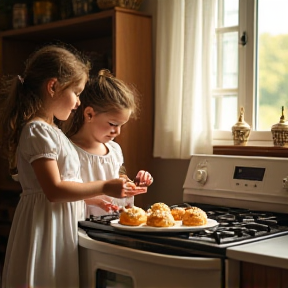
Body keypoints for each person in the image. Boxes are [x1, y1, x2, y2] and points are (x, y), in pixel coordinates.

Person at [0, 43, 147, 288]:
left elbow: (66, 185)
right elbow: (54, 190)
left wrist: (94, 199)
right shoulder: (37, 130)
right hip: (45, 227)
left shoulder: (53, 131)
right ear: (53, 87)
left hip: (59, 224)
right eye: (76, 93)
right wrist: (104, 186)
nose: (78, 102)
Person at [63, 69, 153, 216]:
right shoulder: (69, 150)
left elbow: (118, 177)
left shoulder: (114, 149)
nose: (117, 132)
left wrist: (133, 183)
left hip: (112, 224)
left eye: (121, 125)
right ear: (89, 114)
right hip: (81, 226)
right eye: (112, 124)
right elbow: (64, 194)